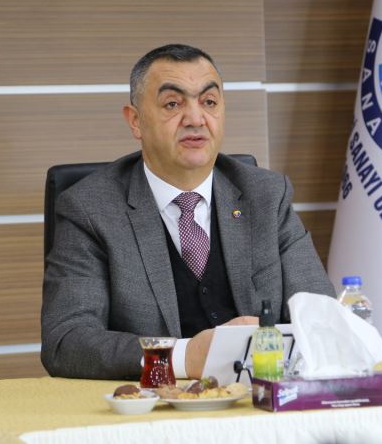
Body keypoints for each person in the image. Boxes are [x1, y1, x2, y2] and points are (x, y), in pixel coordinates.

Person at [41, 43, 336, 380]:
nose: (196, 119)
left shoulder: (266, 196)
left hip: (260, 396)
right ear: (136, 121)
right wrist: (181, 358)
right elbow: (67, 342)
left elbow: (322, 319)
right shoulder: (90, 209)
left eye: (209, 102)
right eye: (173, 104)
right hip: (156, 406)